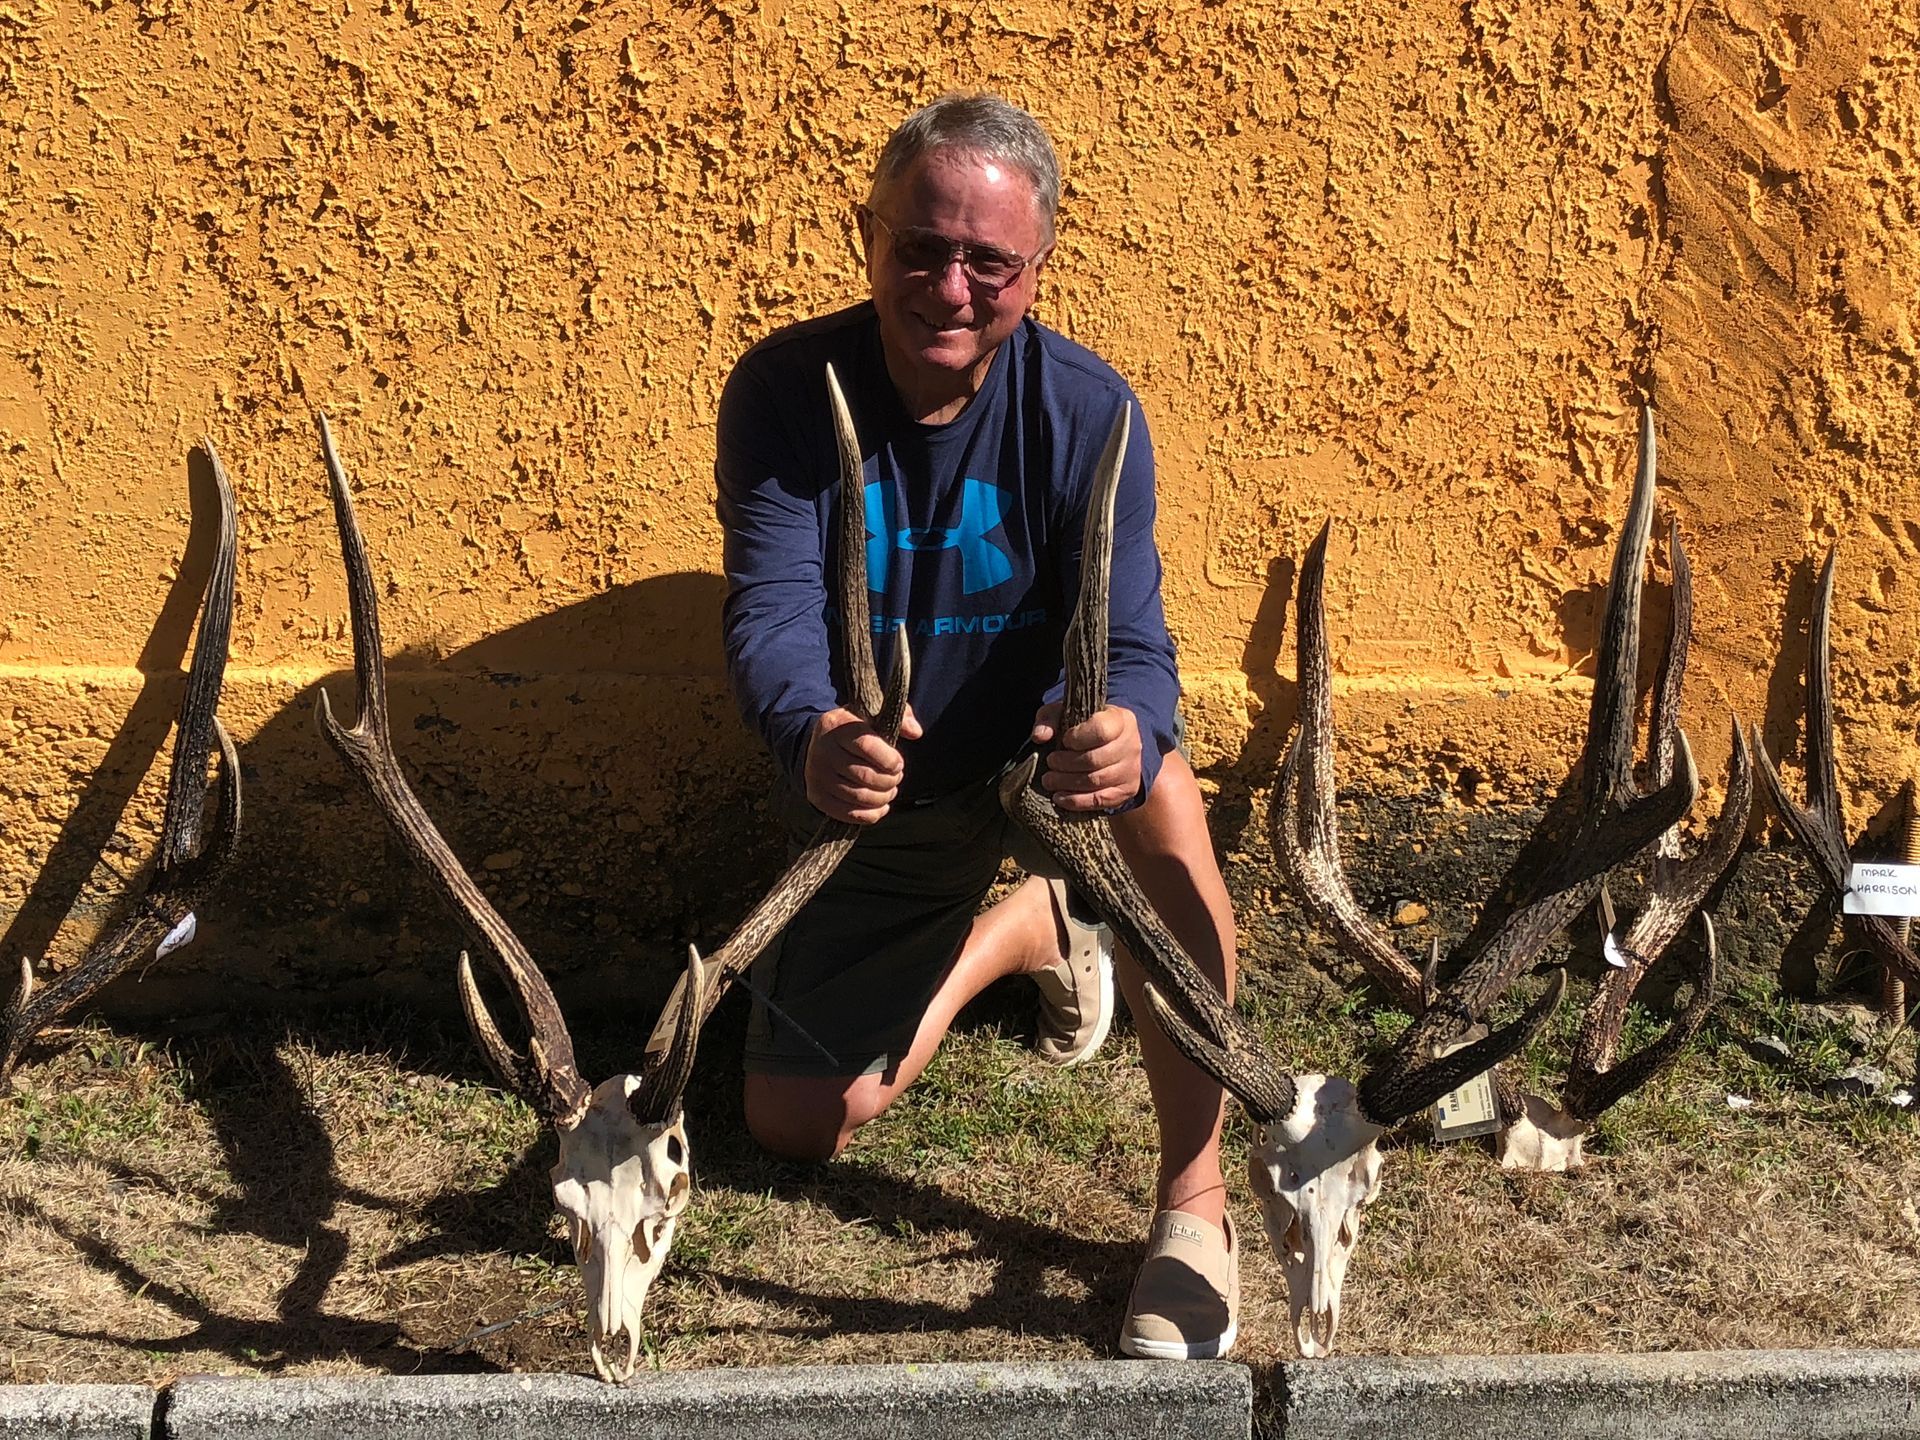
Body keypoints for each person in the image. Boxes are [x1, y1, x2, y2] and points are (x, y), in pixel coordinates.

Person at [713, 93, 1241, 1360]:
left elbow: (1132, 639)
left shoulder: (1087, 413)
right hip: (887, 786)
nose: (951, 287)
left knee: (1163, 798)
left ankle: (1196, 1202)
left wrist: (1129, 720)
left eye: (988, 262)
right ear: (869, 235)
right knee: (797, 1122)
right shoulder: (787, 392)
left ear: (1035, 267)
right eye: (920, 247)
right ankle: (1025, 931)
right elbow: (771, 609)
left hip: (1044, 768)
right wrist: (814, 726)